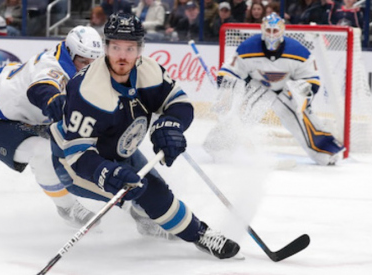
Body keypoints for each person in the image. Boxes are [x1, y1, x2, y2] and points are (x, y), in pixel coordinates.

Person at [49, 13, 241, 260]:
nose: (122, 56)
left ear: (140, 49)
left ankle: (149, 220)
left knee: (155, 191)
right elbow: (77, 155)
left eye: (130, 48)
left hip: (121, 149)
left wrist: (170, 125)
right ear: (106, 47)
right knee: (149, 191)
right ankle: (201, 235)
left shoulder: (149, 70)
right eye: (116, 47)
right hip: (75, 165)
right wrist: (107, 173)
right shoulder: (87, 90)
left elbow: (179, 103)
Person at [0, 26, 104, 227]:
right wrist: (54, 100)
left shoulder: (87, 70)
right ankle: (67, 208)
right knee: (43, 153)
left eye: (92, 62)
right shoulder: (52, 67)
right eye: (83, 62)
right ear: (70, 53)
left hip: (33, 119)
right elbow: (43, 88)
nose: (87, 68)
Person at [215, 13, 345, 165]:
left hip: (286, 90)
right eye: (268, 30)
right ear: (262, 30)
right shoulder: (247, 48)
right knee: (240, 114)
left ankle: (326, 152)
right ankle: (219, 147)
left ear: (282, 31)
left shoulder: (298, 51)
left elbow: (312, 80)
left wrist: (303, 96)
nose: (271, 35)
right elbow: (228, 72)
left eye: (275, 31)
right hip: (257, 87)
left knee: (300, 117)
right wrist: (227, 90)